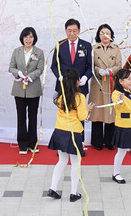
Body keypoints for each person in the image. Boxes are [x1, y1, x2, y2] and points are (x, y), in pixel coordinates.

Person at [46, 69, 93, 202]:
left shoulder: (60, 96)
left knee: (62, 160)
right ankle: (73, 192)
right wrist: (88, 109)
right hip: (73, 132)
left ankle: (53, 188)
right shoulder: (80, 97)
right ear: (77, 82)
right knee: (75, 162)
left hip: (59, 130)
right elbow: (82, 116)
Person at [9, 27, 45, 154]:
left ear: (34, 38)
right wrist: (18, 73)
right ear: (22, 38)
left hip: (33, 89)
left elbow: (40, 69)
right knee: (21, 117)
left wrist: (30, 76)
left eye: (31, 37)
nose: (28, 40)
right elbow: (11, 67)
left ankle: (33, 143)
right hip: (19, 89)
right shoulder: (17, 51)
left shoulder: (39, 52)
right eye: (26, 37)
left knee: (32, 116)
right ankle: (22, 144)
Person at [89, 24, 122, 151]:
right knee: (97, 112)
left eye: (107, 33)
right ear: (98, 35)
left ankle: (109, 141)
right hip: (98, 83)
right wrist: (99, 71)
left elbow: (119, 64)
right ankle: (97, 141)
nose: (105, 35)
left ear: (111, 35)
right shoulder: (93, 48)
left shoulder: (116, 49)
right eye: (102, 33)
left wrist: (110, 71)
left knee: (110, 112)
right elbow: (91, 65)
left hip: (111, 82)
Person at [51, 19, 93, 95]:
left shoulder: (86, 45)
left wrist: (85, 77)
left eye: (74, 31)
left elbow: (91, 66)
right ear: (65, 31)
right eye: (69, 31)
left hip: (81, 86)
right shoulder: (60, 45)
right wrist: (60, 77)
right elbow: (54, 66)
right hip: (63, 86)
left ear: (79, 31)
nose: (72, 33)